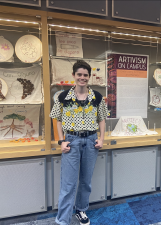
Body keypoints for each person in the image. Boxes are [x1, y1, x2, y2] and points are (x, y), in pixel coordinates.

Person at [50, 60, 108, 225]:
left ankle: (81, 210)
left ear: (89, 77)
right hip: (72, 141)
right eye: (79, 74)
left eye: (85, 75)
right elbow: (57, 119)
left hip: (90, 141)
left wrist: (101, 139)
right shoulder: (63, 97)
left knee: (85, 181)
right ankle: (62, 220)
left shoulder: (96, 97)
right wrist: (61, 140)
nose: (82, 78)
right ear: (74, 75)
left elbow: (102, 119)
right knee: (68, 183)